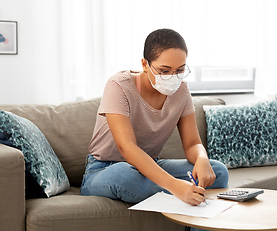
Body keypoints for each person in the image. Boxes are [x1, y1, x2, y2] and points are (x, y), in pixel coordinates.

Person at [80, 28, 229, 206]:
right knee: (125, 175)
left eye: (180, 70)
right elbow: (127, 148)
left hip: (151, 167)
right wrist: (175, 186)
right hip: (104, 170)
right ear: (144, 64)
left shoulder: (181, 91)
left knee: (218, 171)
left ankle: (186, 199)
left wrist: (201, 159)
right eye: (164, 71)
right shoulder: (118, 86)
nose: (173, 78)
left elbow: (192, 144)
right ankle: (185, 197)